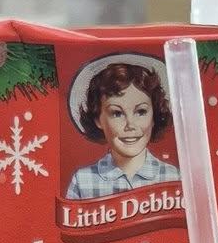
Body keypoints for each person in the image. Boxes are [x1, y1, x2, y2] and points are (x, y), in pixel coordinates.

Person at [65, 62, 182, 201]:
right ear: (98, 120)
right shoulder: (82, 181)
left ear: (154, 116)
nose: (130, 125)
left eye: (141, 112)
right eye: (117, 113)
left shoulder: (173, 177)